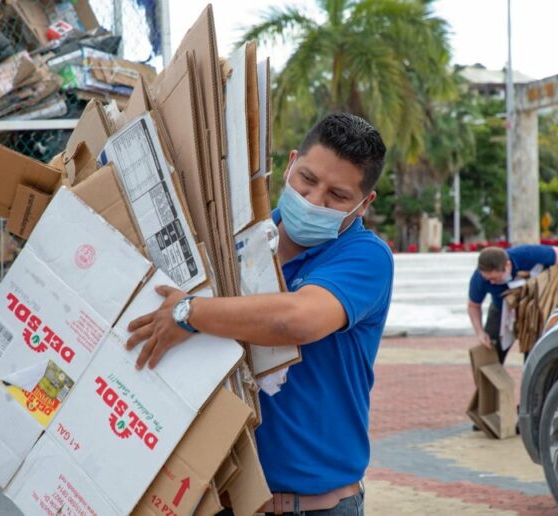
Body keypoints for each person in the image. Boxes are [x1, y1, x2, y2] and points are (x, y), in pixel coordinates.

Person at [126, 113, 393, 515]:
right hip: (222, 499)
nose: (313, 200)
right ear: (289, 164)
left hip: (317, 507)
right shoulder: (235, 241)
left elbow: (295, 320)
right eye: (307, 178)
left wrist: (190, 313)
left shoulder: (365, 257)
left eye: (337, 196)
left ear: (364, 203)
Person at [467, 244, 558, 364]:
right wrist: (480, 332)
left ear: (507, 266)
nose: (491, 283)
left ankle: (531, 379)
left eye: (494, 278)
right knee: (489, 352)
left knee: (534, 355)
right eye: (488, 279)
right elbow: (473, 305)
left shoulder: (527, 254)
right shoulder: (479, 278)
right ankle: (493, 381)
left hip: (534, 308)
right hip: (501, 308)